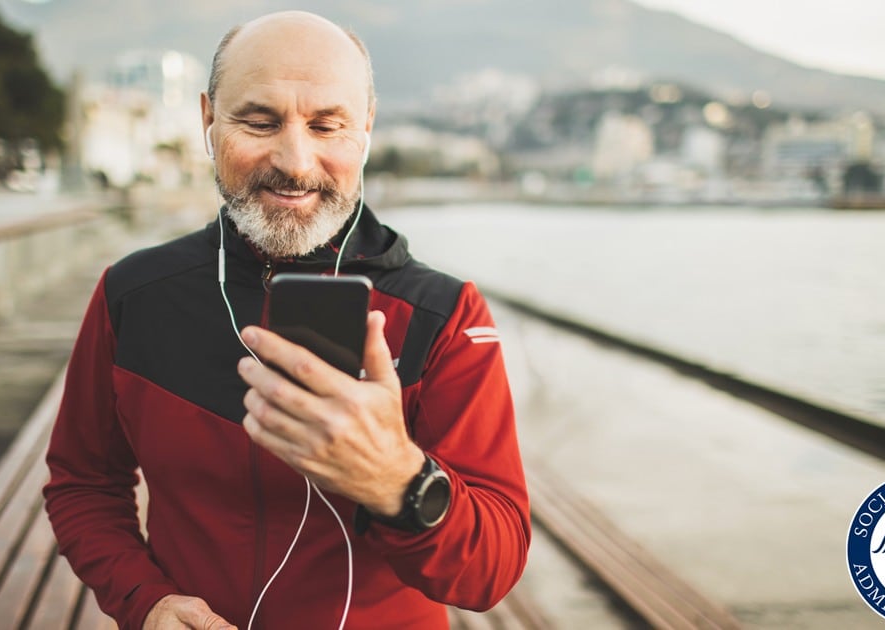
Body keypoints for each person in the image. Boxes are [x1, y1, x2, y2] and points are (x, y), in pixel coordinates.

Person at [43, 11, 529, 630]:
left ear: (367, 128)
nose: (296, 162)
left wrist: (399, 480)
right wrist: (145, 601)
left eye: (328, 125)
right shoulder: (132, 294)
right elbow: (83, 483)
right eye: (260, 121)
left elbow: (491, 571)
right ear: (207, 121)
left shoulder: (445, 315)